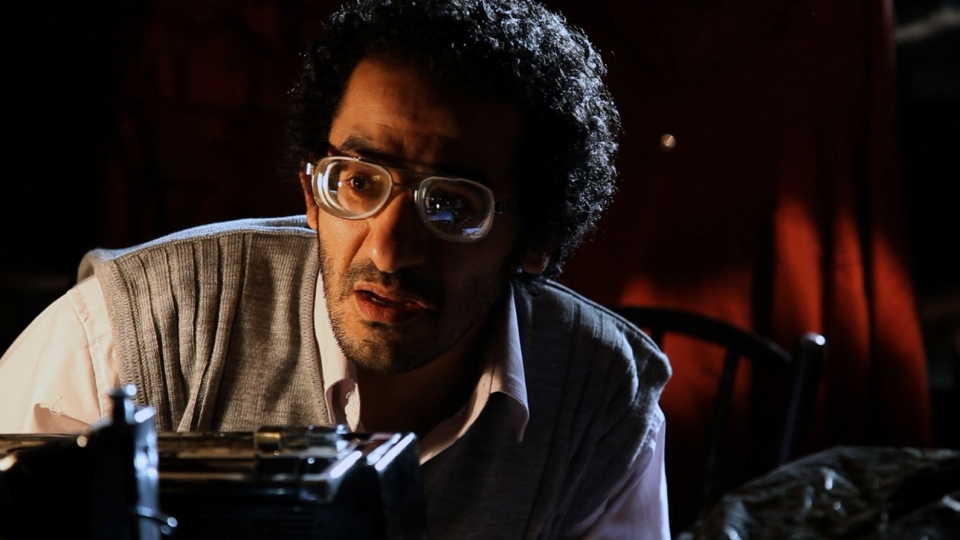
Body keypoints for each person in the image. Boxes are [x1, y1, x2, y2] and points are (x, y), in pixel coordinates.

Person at [0, 0, 671, 537]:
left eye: (452, 205)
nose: (389, 252)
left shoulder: (601, 398)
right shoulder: (133, 328)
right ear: (310, 193)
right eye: (358, 182)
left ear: (536, 238)